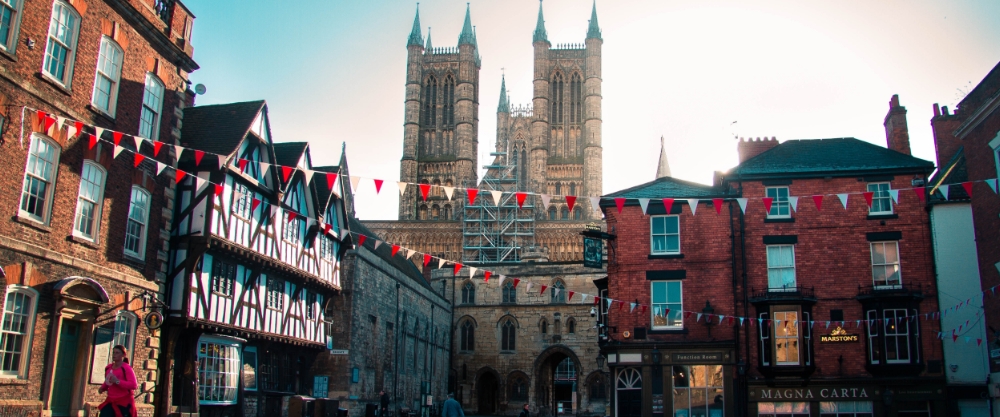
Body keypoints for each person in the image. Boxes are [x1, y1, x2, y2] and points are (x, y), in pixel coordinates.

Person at [97, 345, 138, 417]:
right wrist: (103, 388)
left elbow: (134, 385)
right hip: (111, 400)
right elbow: (108, 381)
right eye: (113, 352)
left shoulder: (126, 368)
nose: (114, 355)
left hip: (124, 402)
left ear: (123, 355)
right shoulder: (108, 368)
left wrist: (117, 381)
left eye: (117, 353)